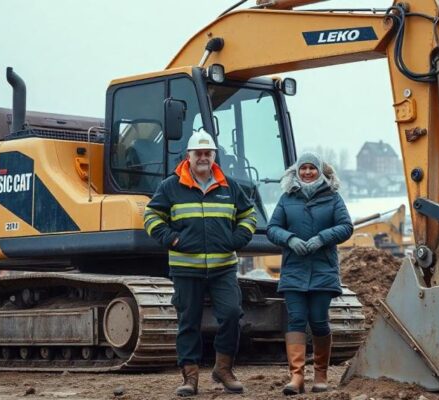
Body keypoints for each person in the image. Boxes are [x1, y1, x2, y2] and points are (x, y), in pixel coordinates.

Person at [144, 129, 257, 397]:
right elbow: (151, 217)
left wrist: (239, 237)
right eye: (199, 153)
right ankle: (190, 377)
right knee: (188, 321)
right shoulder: (170, 187)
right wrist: (171, 239)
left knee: (231, 314)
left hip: (223, 268)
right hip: (186, 268)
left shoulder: (229, 186)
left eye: (208, 153)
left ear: (214, 156)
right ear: (189, 156)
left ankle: (223, 369)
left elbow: (249, 214)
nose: (203, 158)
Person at [267, 152, 353, 395]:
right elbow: (273, 228)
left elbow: (346, 227)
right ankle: (296, 378)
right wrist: (290, 239)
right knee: (295, 319)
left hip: (322, 270)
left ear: (319, 171)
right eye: (302, 168)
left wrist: (321, 239)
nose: (306, 172)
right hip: (294, 270)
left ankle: (321, 374)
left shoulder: (333, 198)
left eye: (311, 168)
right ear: (296, 172)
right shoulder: (287, 198)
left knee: (318, 320)